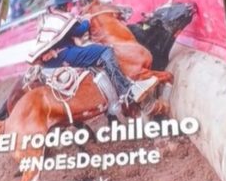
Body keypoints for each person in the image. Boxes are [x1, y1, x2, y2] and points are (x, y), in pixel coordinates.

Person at [27, 7, 159, 109]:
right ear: (66, 5)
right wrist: (87, 20)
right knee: (105, 51)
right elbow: (79, 31)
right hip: (65, 53)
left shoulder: (49, 19)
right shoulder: (62, 18)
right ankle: (126, 91)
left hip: (54, 59)